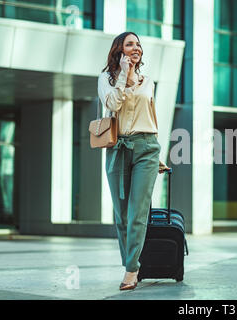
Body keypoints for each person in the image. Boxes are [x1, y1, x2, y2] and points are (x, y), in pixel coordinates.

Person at [97, 31, 170, 290]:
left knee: (138, 212)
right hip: (118, 147)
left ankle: (131, 269)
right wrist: (124, 79)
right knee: (122, 214)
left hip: (146, 148)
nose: (136, 48)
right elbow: (113, 105)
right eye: (130, 44)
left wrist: (157, 153)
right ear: (120, 50)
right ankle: (131, 262)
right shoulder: (106, 78)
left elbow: (151, 116)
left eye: (138, 44)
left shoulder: (147, 81)